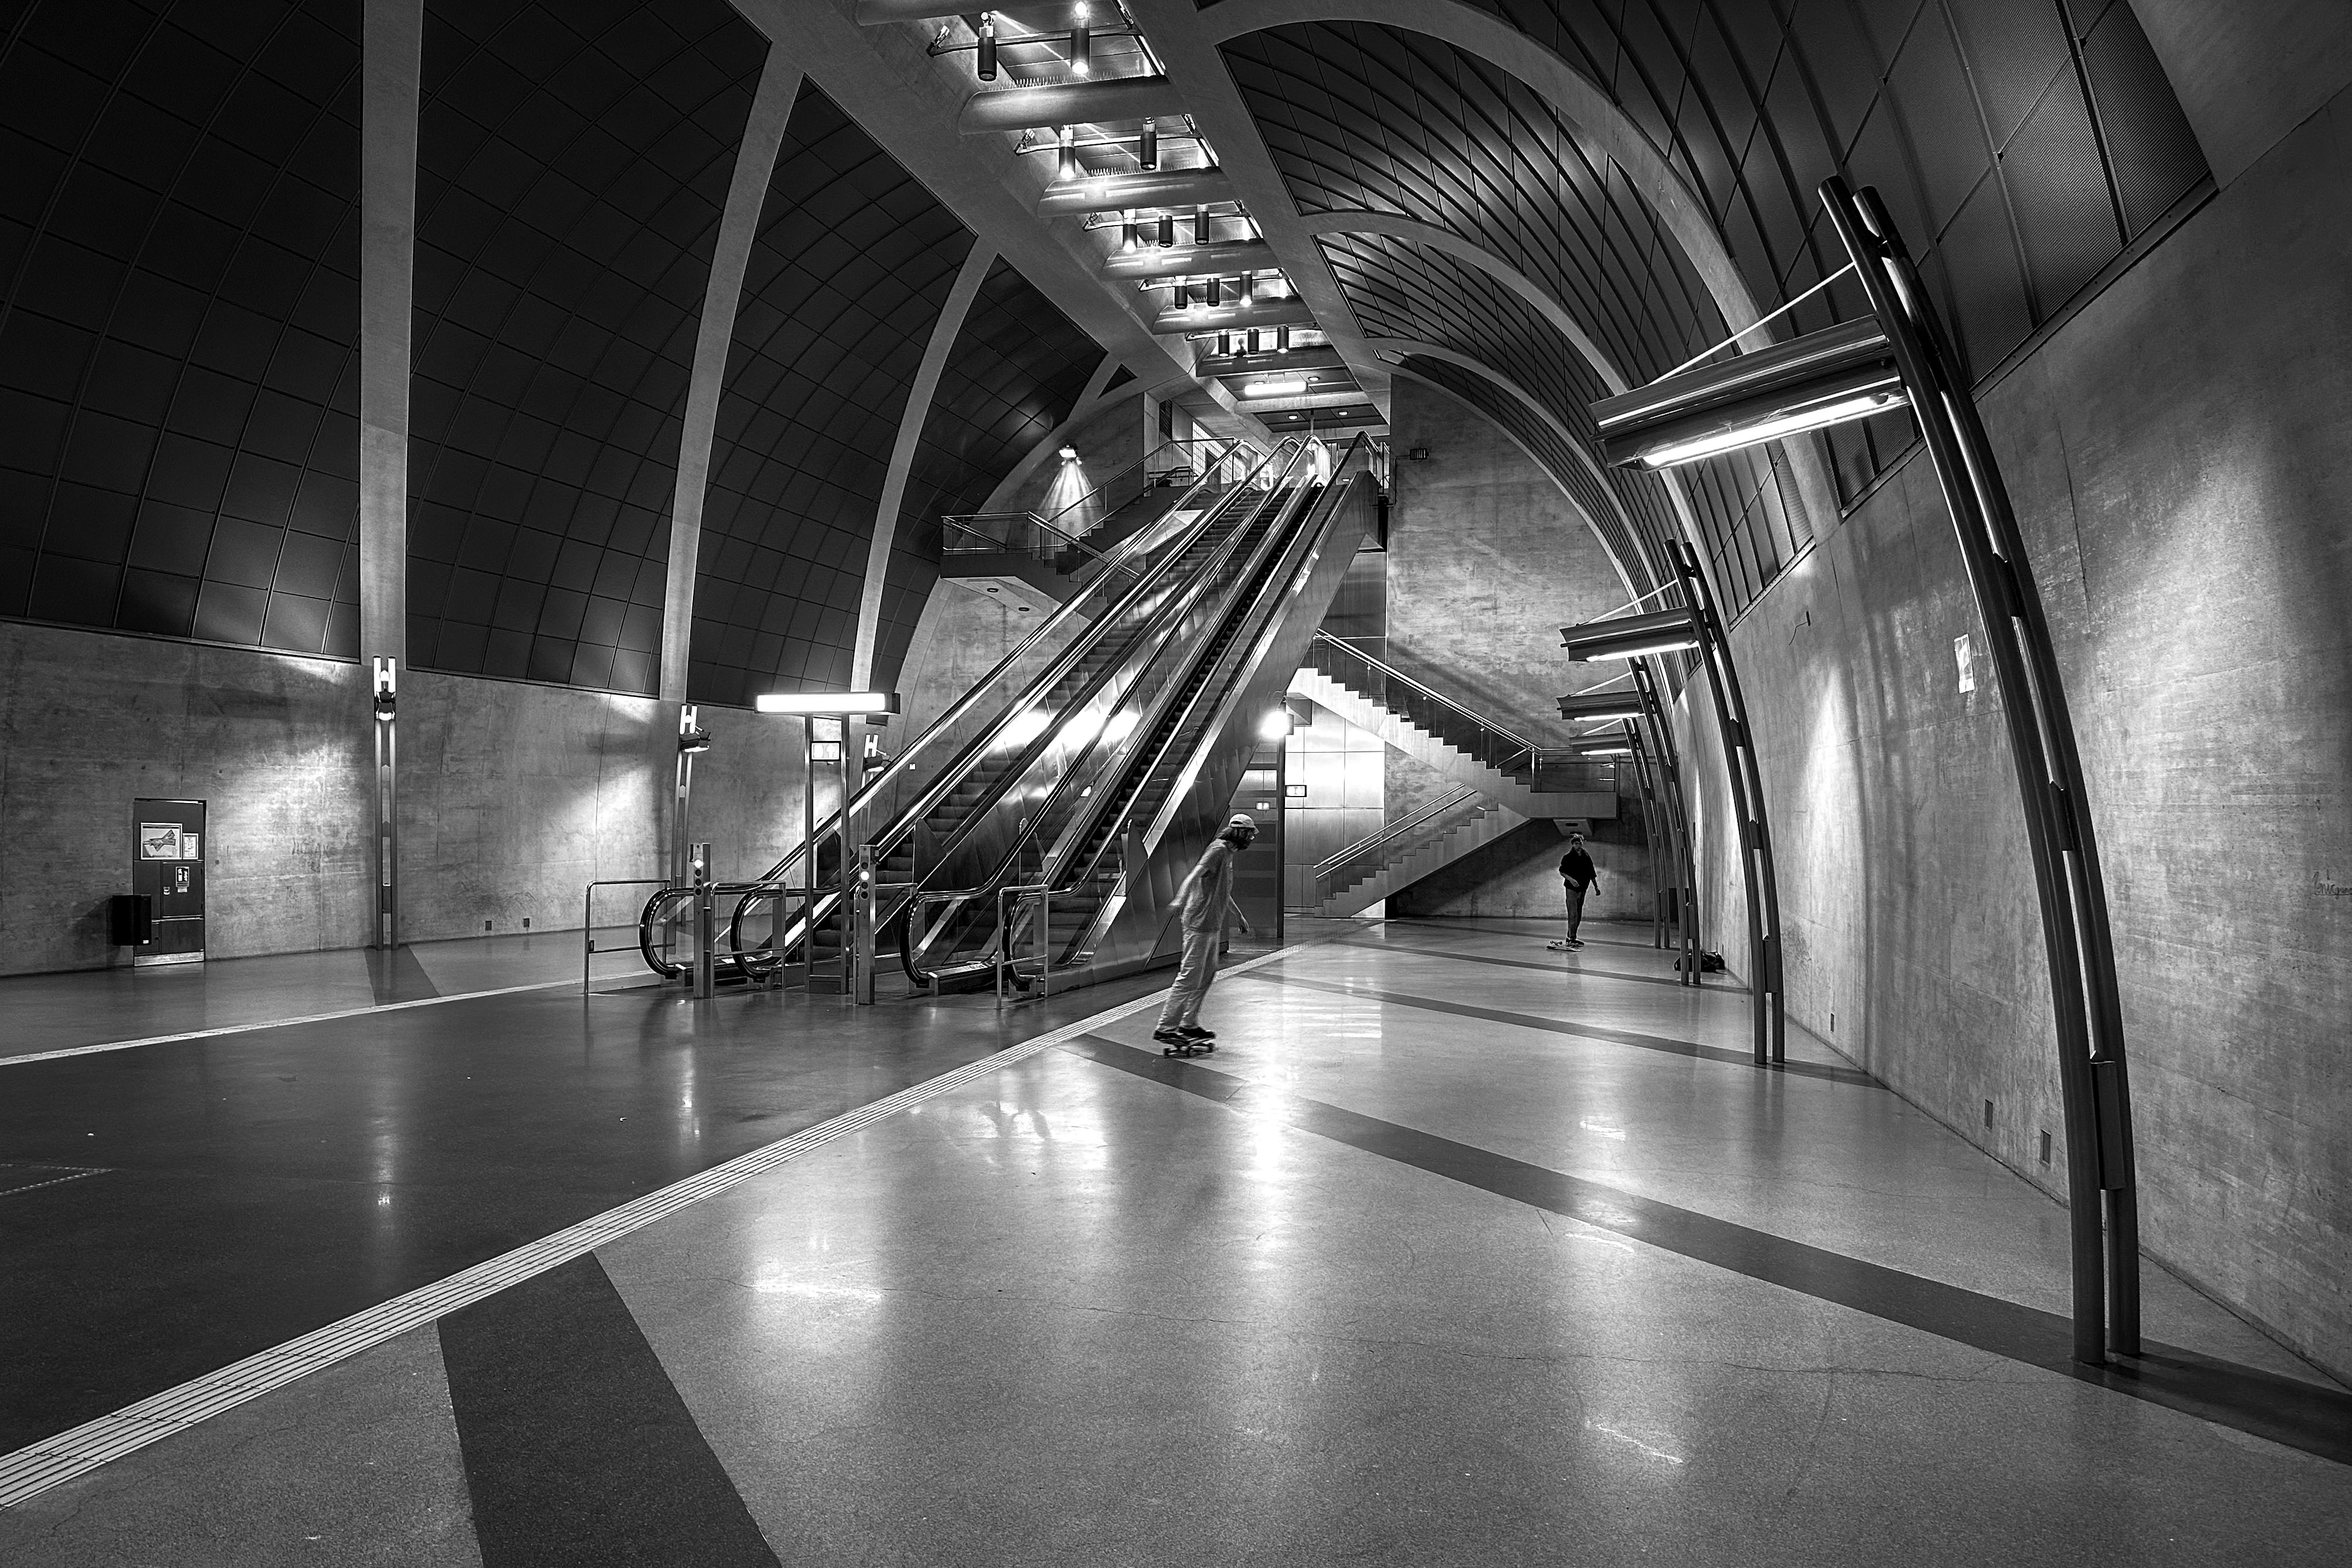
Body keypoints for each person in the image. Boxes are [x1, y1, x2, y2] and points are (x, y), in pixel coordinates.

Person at [1153, 814, 1257, 1055]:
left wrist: (1239, 916)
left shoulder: (1228, 854)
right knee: (1190, 976)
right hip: (1198, 922)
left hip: (1212, 924)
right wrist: (1180, 899)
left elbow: (1222, 891)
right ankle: (1166, 1027)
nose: (1251, 839)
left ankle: (1189, 1024)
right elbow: (1195, 874)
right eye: (1249, 834)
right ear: (1239, 832)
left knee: (1207, 975)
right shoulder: (1218, 850)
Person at [1549, 831, 1598, 951]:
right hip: (1572, 889)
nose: (1578, 845)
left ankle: (1572, 937)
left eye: (1580, 843)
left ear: (1582, 843)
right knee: (1573, 914)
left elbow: (1592, 872)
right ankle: (1570, 938)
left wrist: (1596, 887)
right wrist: (1571, 880)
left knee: (1579, 914)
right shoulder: (1568, 857)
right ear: (1573, 844)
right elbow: (1562, 871)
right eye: (1576, 843)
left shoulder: (1586, 856)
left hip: (1583, 888)